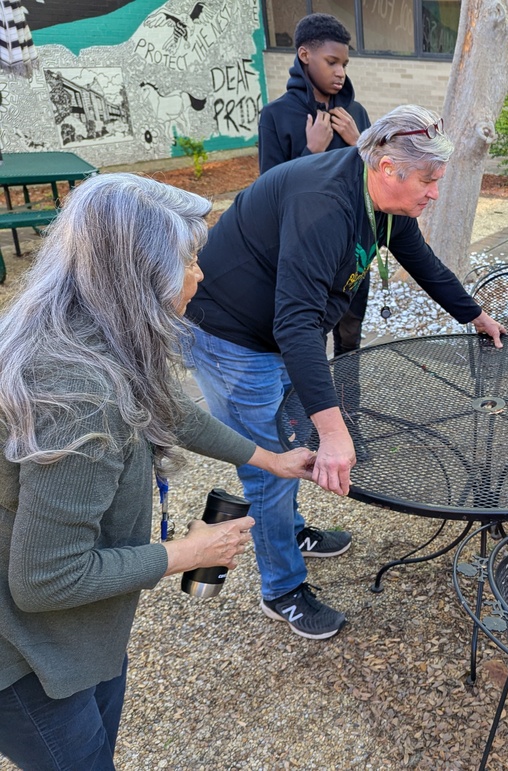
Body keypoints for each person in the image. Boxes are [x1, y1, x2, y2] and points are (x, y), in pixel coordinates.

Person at [0, 173, 324, 769]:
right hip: (24, 657)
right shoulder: (79, 396)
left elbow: (165, 409)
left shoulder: (82, 329)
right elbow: (45, 579)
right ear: (138, 276)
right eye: (187, 261)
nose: (200, 276)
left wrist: (270, 458)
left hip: (77, 633)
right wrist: (188, 551)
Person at [185, 104, 505, 640]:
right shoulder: (325, 205)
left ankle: (288, 531)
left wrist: (474, 314)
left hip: (277, 331)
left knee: (290, 436)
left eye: (438, 179)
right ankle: (282, 589)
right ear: (386, 168)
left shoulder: (382, 202)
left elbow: (422, 261)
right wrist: (335, 433)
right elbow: (296, 325)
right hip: (232, 335)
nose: (434, 192)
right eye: (427, 180)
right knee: (269, 464)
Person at [258, 12, 373, 358]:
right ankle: (313, 410)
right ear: (304, 55)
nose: (340, 72)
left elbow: (377, 182)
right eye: (332, 62)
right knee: (309, 338)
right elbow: (268, 193)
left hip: (354, 249)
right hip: (307, 250)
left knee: (351, 340)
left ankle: (349, 405)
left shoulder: (356, 113)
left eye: (345, 64)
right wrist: (312, 151)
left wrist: (359, 143)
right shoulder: (276, 116)